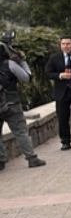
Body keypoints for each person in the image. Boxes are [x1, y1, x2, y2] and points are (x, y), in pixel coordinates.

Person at [0, 32, 46, 170]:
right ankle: (32, 158)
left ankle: (1, 161)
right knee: (20, 132)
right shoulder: (9, 64)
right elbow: (26, 77)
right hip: (11, 104)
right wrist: (22, 61)